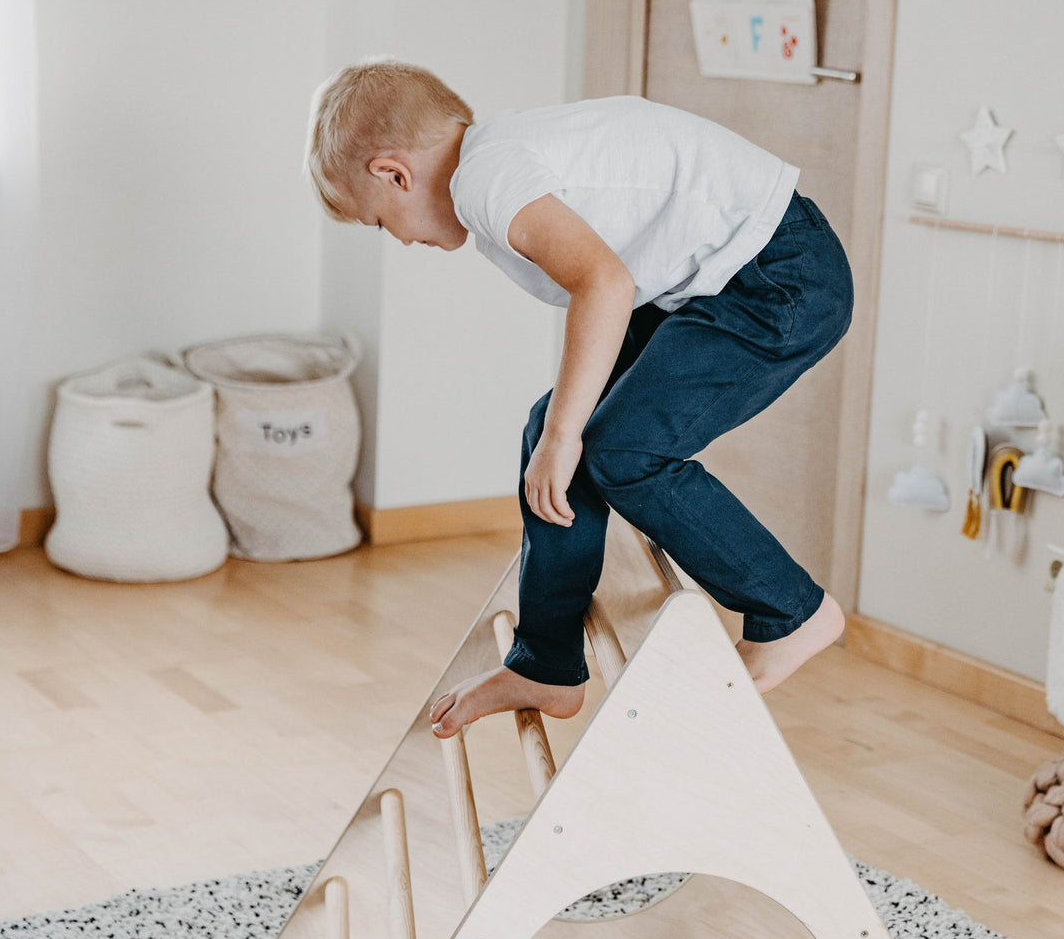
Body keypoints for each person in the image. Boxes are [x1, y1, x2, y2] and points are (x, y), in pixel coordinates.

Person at [304, 59, 854, 740]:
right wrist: (559, 431)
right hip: (718, 283)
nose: (402, 239)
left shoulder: (485, 178)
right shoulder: (500, 159)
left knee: (621, 449)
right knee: (551, 430)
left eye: (383, 222)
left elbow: (605, 284)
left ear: (394, 173)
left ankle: (792, 610)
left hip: (777, 278)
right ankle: (547, 664)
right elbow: (613, 285)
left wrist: (570, 436)